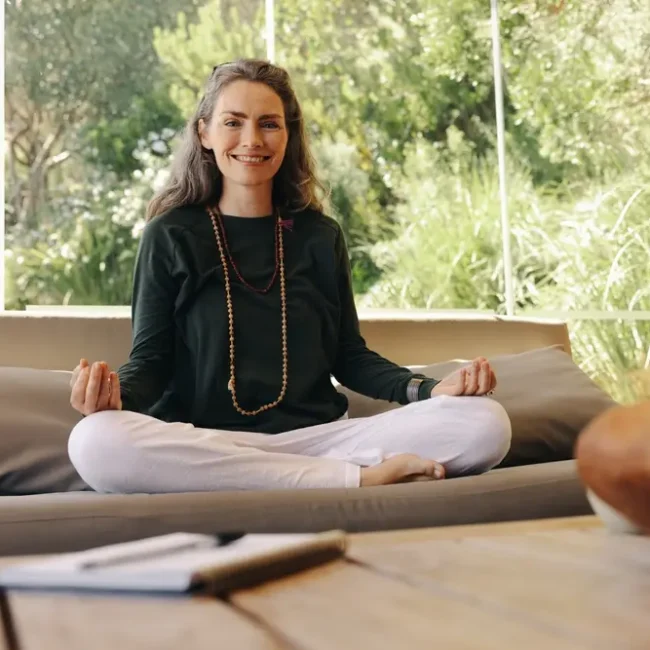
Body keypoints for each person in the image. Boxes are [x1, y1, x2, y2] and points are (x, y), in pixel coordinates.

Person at [68, 59, 511, 493]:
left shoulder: (319, 236)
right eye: (233, 122)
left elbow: (349, 356)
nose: (251, 139)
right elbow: (152, 361)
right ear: (204, 133)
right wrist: (114, 397)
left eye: (269, 124)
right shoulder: (170, 235)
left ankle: (288, 477)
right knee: (95, 441)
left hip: (318, 440)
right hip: (206, 442)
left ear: (288, 134)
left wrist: (430, 390)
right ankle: (355, 479)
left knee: (485, 424)